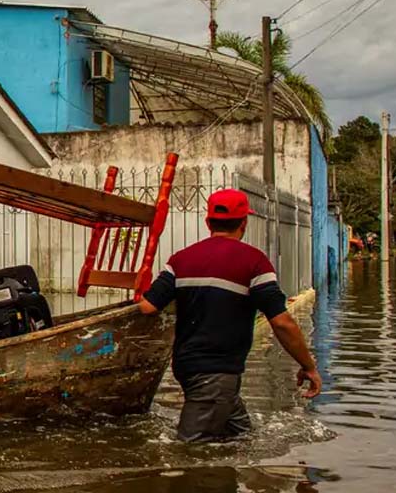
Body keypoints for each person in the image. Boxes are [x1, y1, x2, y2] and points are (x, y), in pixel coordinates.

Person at [136, 188, 322, 442]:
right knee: (191, 450)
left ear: (208, 222)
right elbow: (281, 322)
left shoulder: (180, 259)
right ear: (244, 222)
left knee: (243, 437)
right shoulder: (254, 262)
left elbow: (147, 306)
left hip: (187, 368)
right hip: (216, 373)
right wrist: (308, 366)